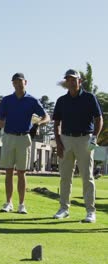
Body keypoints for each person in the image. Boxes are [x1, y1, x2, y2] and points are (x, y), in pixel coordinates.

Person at [52, 69, 103, 223]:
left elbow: (98, 118)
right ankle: (64, 208)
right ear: (66, 82)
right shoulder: (62, 100)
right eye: (68, 80)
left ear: (80, 81)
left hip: (85, 139)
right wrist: (59, 143)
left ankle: (90, 211)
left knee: (87, 177)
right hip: (66, 139)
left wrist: (94, 138)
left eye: (74, 79)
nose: (71, 82)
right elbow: (56, 123)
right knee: (65, 177)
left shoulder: (89, 98)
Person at [0, 73, 50, 214]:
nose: (19, 84)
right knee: (8, 171)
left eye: (21, 82)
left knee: (21, 172)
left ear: (26, 82)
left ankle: (21, 205)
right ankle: (8, 203)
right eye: (16, 82)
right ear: (12, 83)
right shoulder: (7, 100)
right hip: (8, 137)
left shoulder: (32, 101)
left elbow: (46, 117)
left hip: (24, 138)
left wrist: (38, 124)